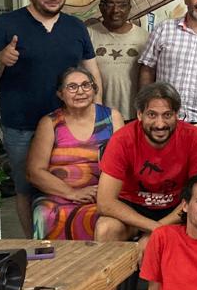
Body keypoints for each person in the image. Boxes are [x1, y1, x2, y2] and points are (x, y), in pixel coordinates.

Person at [85, 82, 197, 290]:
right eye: (152, 115)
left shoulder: (194, 138)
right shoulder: (123, 138)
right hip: (133, 210)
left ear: (177, 115)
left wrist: (160, 232)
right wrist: (154, 229)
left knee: (155, 244)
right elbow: (105, 202)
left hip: (178, 211)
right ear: (139, 114)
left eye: (167, 115)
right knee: (105, 228)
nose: (160, 123)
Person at [0, 0, 101, 236]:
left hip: (70, 125)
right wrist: (0, 60)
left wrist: (98, 115)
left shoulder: (76, 27)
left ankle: (71, 243)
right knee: (26, 187)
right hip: (22, 125)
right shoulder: (4, 25)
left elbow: (92, 72)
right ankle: (34, 245)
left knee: (72, 182)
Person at [27, 67, 124, 240]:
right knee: (45, 214)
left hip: (102, 192)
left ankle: (98, 259)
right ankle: (55, 259)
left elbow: (125, 162)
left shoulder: (112, 117)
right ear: (60, 94)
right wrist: (72, 193)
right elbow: (35, 172)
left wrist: (105, 192)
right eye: (72, 87)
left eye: (86, 85)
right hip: (59, 193)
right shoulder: (50, 123)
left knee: (106, 216)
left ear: (94, 89)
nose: (80, 91)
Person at [88, 0, 149, 119]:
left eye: (122, 5)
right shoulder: (88, 35)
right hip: (96, 115)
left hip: (133, 115)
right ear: (101, 7)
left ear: (129, 8)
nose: (115, 10)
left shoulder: (145, 37)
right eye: (110, 4)